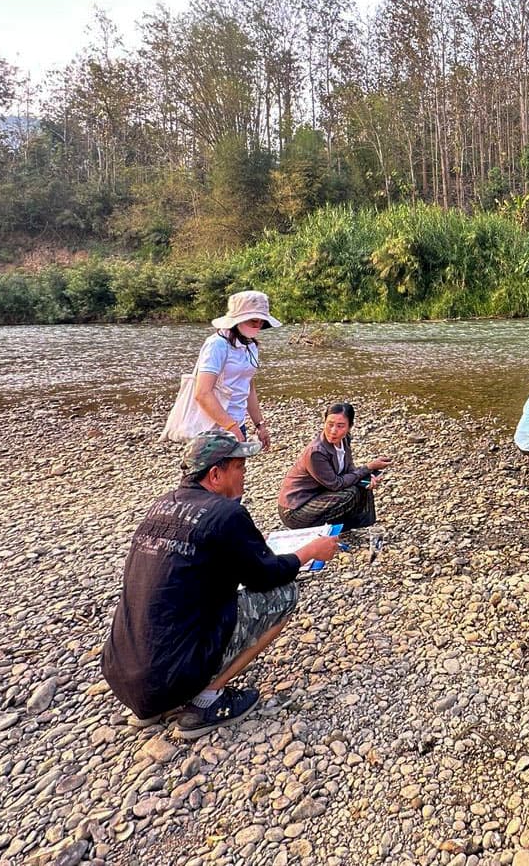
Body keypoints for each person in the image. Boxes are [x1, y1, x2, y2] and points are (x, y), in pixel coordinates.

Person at [102, 430, 339, 738]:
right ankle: (205, 700)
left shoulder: (160, 506)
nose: (244, 474)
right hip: (174, 674)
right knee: (285, 594)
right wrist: (308, 553)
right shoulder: (226, 514)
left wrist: (249, 548)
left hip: (123, 674)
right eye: (239, 467)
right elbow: (266, 576)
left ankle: (156, 703)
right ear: (215, 474)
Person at [277, 402, 392, 530]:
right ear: (324, 422)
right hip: (295, 510)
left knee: (362, 484)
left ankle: (352, 525)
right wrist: (367, 468)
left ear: (350, 427)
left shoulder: (345, 439)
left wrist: (368, 477)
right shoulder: (316, 452)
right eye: (330, 424)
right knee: (350, 492)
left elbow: (349, 470)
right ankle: (322, 529)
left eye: (340, 426)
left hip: (320, 495)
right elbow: (336, 484)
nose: (333, 431)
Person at [193, 290, 281, 452]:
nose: (258, 325)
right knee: (211, 476)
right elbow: (202, 393)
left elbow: (248, 387)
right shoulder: (217, 345)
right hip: (213, 429)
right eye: (254, 320)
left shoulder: (250, 346)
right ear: (237, 320)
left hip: (237, 423)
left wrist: (260, 425)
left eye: (262, 322)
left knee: (235, 475)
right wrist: (230, 427)